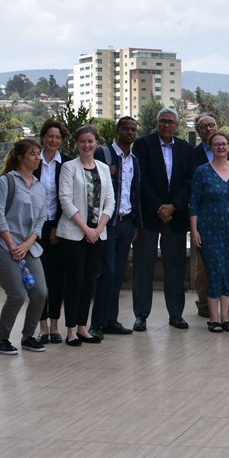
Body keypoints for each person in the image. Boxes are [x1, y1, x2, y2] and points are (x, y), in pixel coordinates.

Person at [132, 106, 194, 331]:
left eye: (171, 121)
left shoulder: (187, 149)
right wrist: (159, 207)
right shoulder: (142, 145)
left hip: (175, 217)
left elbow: (189, 182)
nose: (167, 125)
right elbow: (141, 179)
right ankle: (141, 315)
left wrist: (173, 206)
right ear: (157, 124)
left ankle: (176, 314)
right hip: (149, 216)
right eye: (163, 121)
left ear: (177, 125)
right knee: (143, 266)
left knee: (175, 268)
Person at [56, 125, 115, 346]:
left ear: (96, 143)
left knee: (90, 282)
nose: (86, 145)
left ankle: (83, 327)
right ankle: (70, 329)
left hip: (97, 234)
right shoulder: (69, 168)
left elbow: (110, 201)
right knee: (75, 282)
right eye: (82, 141)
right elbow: (65, 201)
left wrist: (98, 229)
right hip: (74, 234)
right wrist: (86, 229)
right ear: (77, 144)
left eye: (90, 141)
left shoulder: (102, 167)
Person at [0, 139, 50, 355]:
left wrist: (26, 244)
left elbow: (41, 220)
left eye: (38, 154)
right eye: (33, 154)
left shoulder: (39, 187)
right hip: (4, 246)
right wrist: (13, 244)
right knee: (17, 294)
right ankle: (1, 339)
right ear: (20, 156)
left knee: (40, 293)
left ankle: (28, 336)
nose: (38, 158)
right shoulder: (6, 182)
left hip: (28, 247)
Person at [188, 131, 229, 333]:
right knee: (215, 271)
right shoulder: (202, 171)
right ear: (210, 147)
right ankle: (213, 318)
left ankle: (225, 318)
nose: (221, 147)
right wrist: (195, 230)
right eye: (216, 144)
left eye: (224, 144)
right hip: (210, 228)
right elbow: (194, 203)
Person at [91, 116, 139, 337]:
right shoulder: (104, 153)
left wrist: (136, 223)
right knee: (106, 272)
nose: (129, 133)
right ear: (118, 130)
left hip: (126, 223)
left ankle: (112, 320)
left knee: (118, 273)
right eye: (126, 129)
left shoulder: (134, 160)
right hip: (107, 223)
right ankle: (97, 323)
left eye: (133, 129)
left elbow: (134, 192)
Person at [191, 115, 229, 320]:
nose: (208, 128)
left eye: (211, 125)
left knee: (228, 262)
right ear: (199, 132)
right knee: (204, 267)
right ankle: (205, 306)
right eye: (203, 127)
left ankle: (228, 305)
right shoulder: (193, 156)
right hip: (204, 221)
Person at [34, 120, 67, 344]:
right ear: (43, 137)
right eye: (50, 136)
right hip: (33, 228)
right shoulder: (32, 160)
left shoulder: (66, 163)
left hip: (57, 226)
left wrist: (58, 225)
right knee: (38, 280)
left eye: (57, 137)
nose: (53, 140)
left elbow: (68, 197)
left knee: (56, 279)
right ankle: (42, 325)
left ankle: (55, 325)